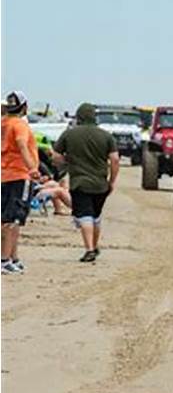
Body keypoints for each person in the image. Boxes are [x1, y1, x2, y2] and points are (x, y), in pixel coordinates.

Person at [53, 103, 120, 262]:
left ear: (79, 117)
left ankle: (89, 249)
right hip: (100, 184)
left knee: (85, 216)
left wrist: (67, 163)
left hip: (79, 182)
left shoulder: (69, 134)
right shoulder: (106, 136)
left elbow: (55, 155)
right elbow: (115, 160)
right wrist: (112, 181)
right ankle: (94, 247)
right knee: (95, 216)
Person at [1, 91, 40, 274]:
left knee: (7, 218)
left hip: (5, 174)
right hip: (18, 175)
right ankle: (4, 259)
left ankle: (13, 257)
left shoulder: (3, 124)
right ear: (24, 107)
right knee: (13, 219)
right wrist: (32, 168)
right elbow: (22, 144)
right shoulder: (20, 125)